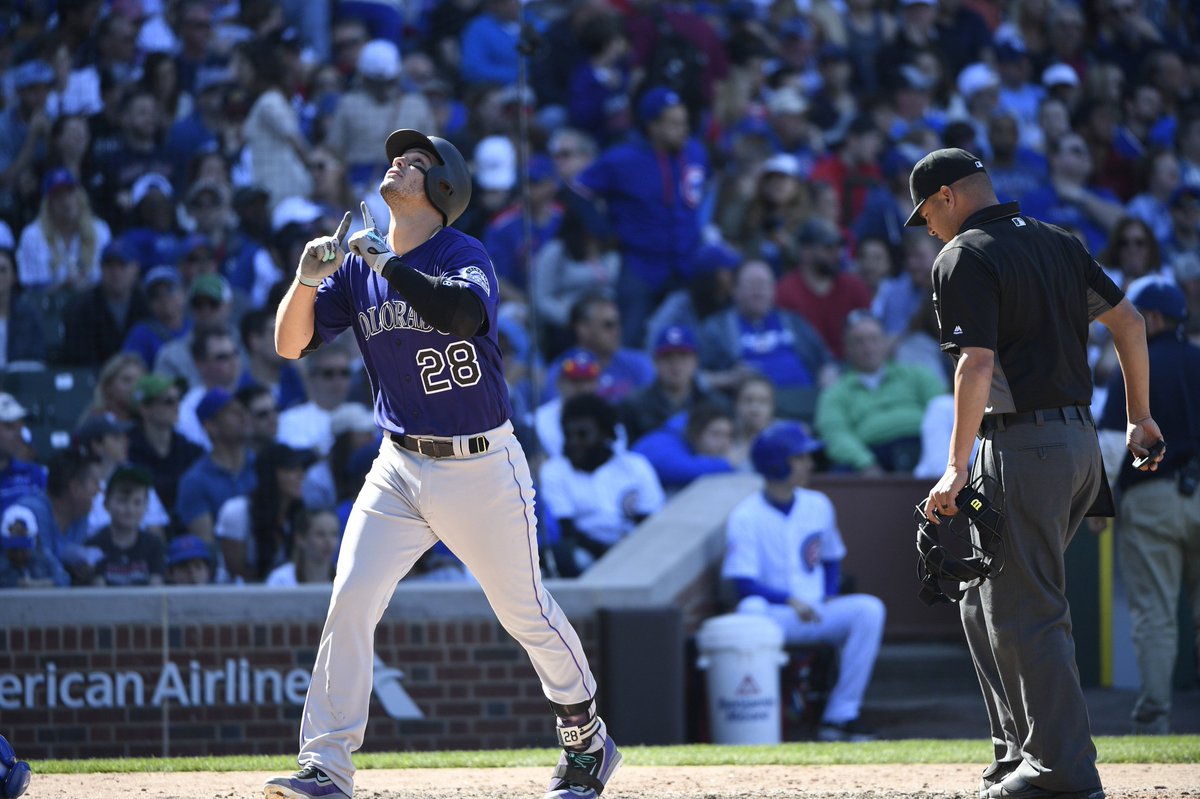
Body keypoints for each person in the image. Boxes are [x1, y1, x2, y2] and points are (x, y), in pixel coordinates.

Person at [266, 128, 621, 799]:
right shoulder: (358, 266)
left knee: (525, 612)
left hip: (481, 464)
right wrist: (305, 281)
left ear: (443, 188)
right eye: (397, 158)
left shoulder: (463, 252)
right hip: (398, 463)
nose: (398, 163)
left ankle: (587, 740)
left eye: (417, 162)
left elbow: (460, 313)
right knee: (351, 597)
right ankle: (327, 765)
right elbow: (291, 345)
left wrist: (384, 262)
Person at [910, 147, 1163, 799]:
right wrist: (1139, 417)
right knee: (980, 598)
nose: (928, 229)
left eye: (927, 215)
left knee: (1030, 610)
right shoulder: (1057, 240)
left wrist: (953, 467)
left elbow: (976, 364)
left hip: (1024, 444)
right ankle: (1018, 752)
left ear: (947, 197)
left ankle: (1062, 771)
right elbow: (1128, 321)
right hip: (1077, 443)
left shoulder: (964, 253)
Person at [722, 421, 886, 742]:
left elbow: (831, 558)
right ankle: (759, 720)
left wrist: (828, 594)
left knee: (868, 610)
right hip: (775, 616)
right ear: (777, 463)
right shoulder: (746, 515)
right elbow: (743, 583)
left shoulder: (818, 504)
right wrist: (788, 600)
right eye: (800, 457)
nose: (809, 463)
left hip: (816, 612)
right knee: (748, 611)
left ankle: (840, 716)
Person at [1097, 278, 1200, 735]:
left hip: (1152, 496)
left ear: (1152, 319)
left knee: (1155, 615)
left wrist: (1098, 504)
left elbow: (1110, 445)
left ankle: (1155, 719)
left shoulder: (1135, 364)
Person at [539, 394, 665, 578]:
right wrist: (607, 553)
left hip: (636, 550)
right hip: (587, 553)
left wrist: (628, 551)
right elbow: (566, 529)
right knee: (564, 554)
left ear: (605, 433)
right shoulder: (554, 470)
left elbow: (650, 520)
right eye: (568, 435)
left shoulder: (635, 465)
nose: (574, 442)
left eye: (583, 434)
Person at [814, 311, 945, 474]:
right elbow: (836, 435)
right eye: (858, 341)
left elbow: (944, 410)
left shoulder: (918, 375)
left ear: (885, 342)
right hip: (874, 454)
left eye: (874, 339)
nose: (868, 347)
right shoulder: (835, 393)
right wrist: (865, 462)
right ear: (846, 348)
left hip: (927, 446)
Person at [90, 465, 164, 587]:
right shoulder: (95, 545)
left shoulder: (154, 545)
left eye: (137, 502)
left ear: (146, 507)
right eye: (122, 501)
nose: (130, 509)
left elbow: (156, 589)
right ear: (106, 504)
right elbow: (98, 593)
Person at [265, 507, 340, 587]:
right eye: (320, 534)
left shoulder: (346, 578)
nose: (329, 542)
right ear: (301, 538)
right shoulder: (281, 580)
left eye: (334, 534)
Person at [0, 504, 60, 589]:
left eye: (23, 550)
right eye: (14, 550)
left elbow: (63, 579)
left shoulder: (42, 555)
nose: (19, 556)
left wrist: (38, 584)